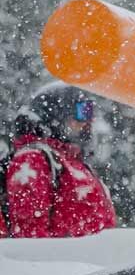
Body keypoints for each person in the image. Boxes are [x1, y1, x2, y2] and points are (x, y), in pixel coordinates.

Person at [4, 83, 116, 239]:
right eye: (81, 112)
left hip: (92, 261)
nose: (87, 121)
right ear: (58, 116)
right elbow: (29, 237)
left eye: (89, 111)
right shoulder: (33, 159)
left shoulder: (74, 162)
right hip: (65, 262)